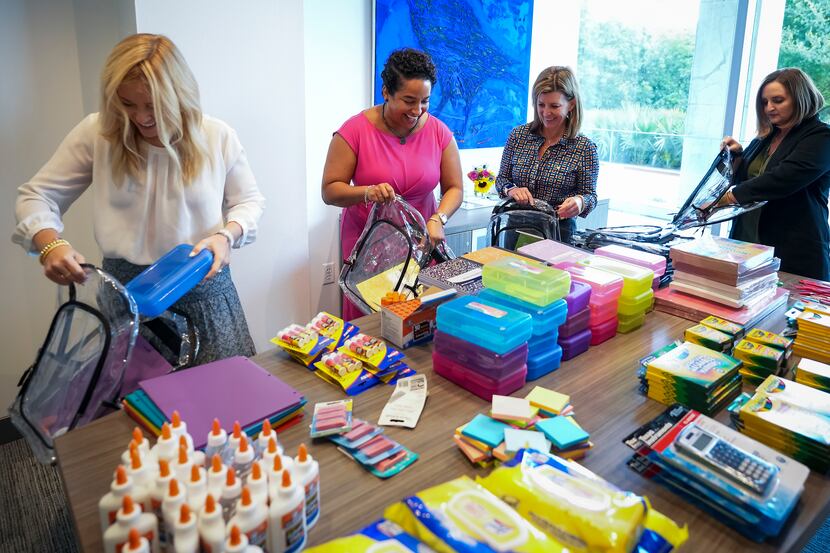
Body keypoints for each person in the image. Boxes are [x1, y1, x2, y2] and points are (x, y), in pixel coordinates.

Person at [13, 33, 266, 365]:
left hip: (204, 293)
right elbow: (37, 195)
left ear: (180, 95)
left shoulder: (216, 136)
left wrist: (225, 235)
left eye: (153, 106)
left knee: (223, 403)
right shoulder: (98, 134)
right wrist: (50, 245)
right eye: (127, 104)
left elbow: (249, 201)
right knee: (138, 409)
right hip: (129, 300)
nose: (141, 118)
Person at [321, 47, 463, 320]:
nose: (418, 110)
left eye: (425, 101)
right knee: (373, 324)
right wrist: (368, 192)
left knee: (418, 322)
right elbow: (330, 190)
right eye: (409, 100)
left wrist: (438, 218)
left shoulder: (439, 132)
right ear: (386, 91)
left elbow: (455, 188)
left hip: (420, 245)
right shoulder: (354, 131)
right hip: (370, 249)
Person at [721, 68, 830, 280]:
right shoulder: (765, 137)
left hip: (793, 248)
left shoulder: (822, 137)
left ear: (800, 99)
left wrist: (726, 198)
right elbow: (747, 180)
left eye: (778, 100)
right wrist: (736, 157)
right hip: (748, 241)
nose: (769, 108)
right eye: (764, 102)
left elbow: (783, 179)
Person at [495, 66, 599, 244]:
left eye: (554, 106)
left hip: (557, 234)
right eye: (541, 104)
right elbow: (501, 180)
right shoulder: (518, 136)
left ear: (571, 104)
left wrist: (579, 202)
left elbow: (590, 195)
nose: (545, 113)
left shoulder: (584, 148)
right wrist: (512, 190)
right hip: (514, 229)